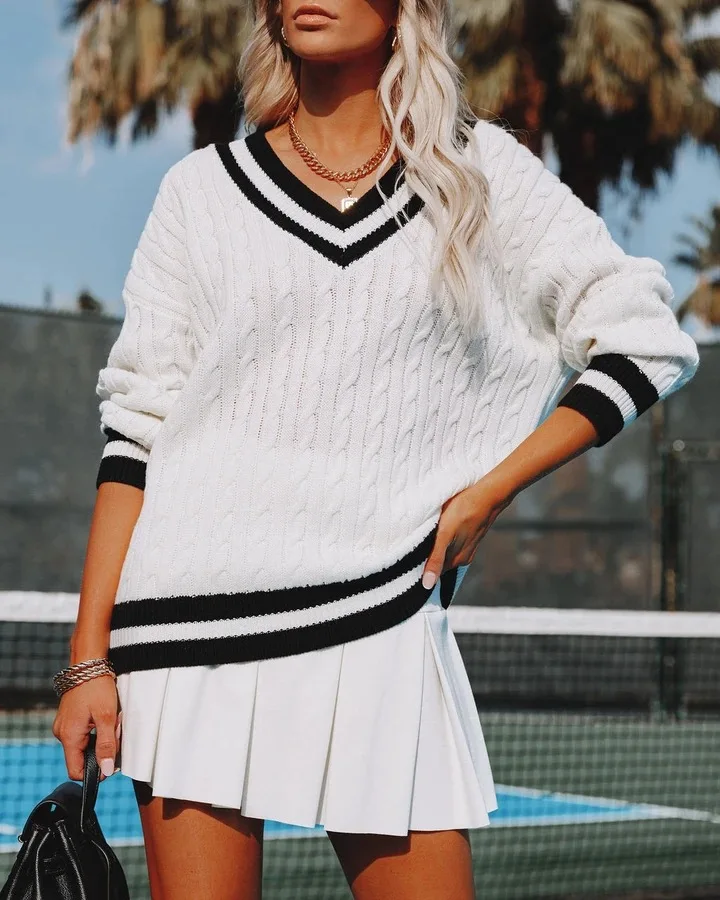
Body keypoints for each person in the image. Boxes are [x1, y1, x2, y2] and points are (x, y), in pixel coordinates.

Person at [51, 0, 699, 894]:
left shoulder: (481, 175)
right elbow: (135, 432)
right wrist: (88, 660)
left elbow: (645, 339)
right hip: (190, 630)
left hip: (385, 622)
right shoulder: (200, 193)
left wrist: (493, 490)